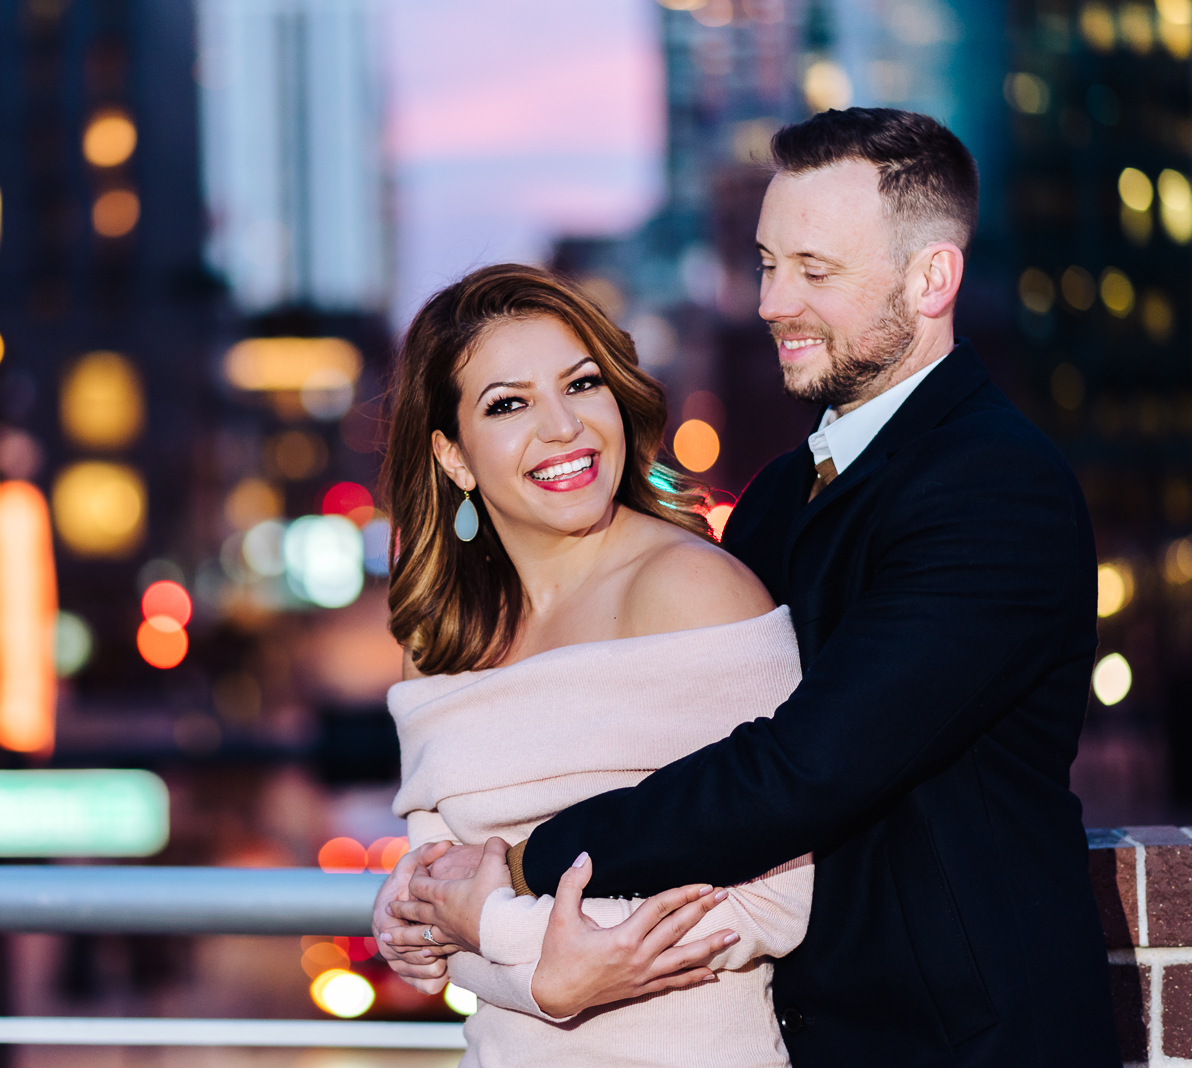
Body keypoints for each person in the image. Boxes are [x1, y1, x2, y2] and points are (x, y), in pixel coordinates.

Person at [376, 108, 1121, 1067]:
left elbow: (800, 770)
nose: (771, 301)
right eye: (768, 264)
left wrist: (517, 872)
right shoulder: (780, 495)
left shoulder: (995, 488)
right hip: (812, 1028)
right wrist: (443, 909)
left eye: (815, 270)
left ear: (931, 278)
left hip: (966, 1040)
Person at [374, 262, 816, 1067]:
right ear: (453, 457)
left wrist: (516, 942)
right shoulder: (441, 633)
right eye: (508, 404)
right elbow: (442, 892)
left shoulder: (690, 589)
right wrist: (410, 915)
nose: (563, 428)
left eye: (581, 386)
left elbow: (784, 891)